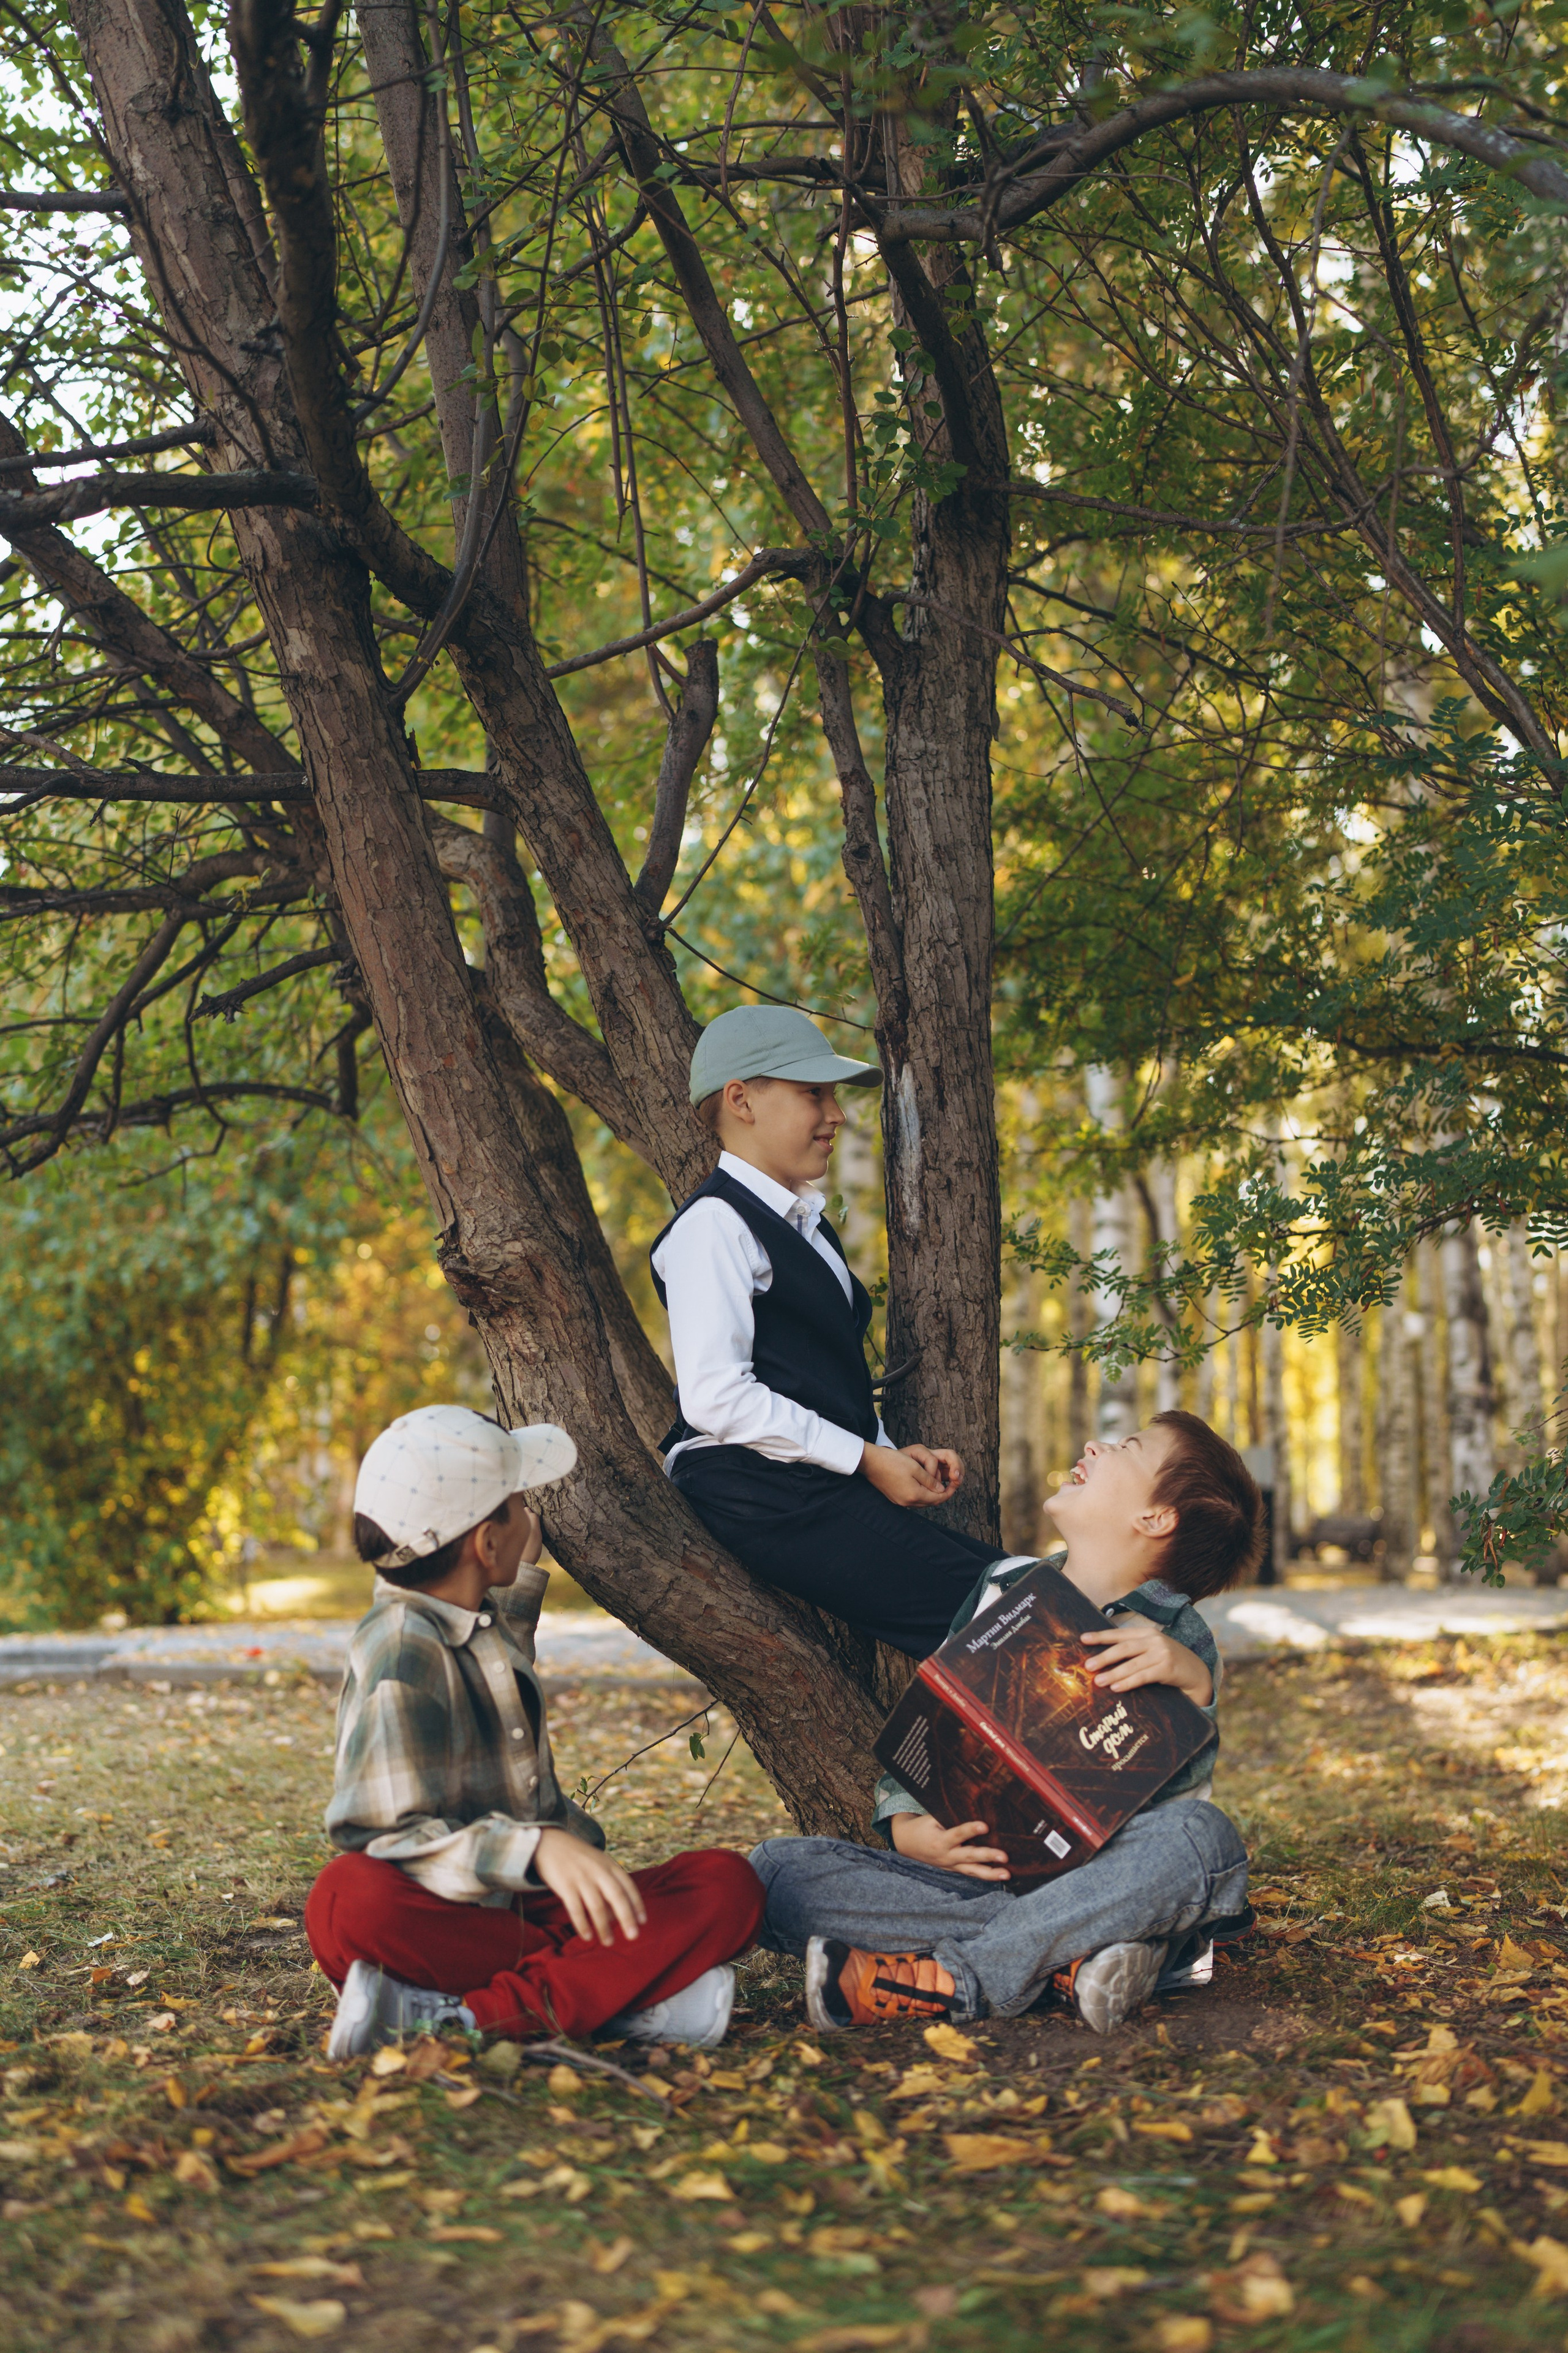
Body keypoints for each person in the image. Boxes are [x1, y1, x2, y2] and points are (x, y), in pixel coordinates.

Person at [748, 1409, 1264, 2036]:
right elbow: (939, 1722)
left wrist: (1193, 1685)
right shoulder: (1000, 1588)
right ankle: (1070, 1960)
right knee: (775, 1871)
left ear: (1155, 1519)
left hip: (1102, 1883)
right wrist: (909, 1826)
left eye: (1126, 1446)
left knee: (1199, 1839)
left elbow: (1171, 1811)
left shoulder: (1176, 1638)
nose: (1093, 1444)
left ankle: (956, 1980)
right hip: (977, 1885)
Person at [304, 1404, 765, 2058]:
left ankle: (457, 2010)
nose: (532, 1517)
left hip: (532, 1915)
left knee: (728, 1886)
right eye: (519, 1506)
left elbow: (493, 1652)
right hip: (451, 1921)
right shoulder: (400, 1654)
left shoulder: (466, 1610)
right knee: (344, 1901)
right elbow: (387, 1837)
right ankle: (545, 2010)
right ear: (486, 1545)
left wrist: (518, 1580)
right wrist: (535, 1848)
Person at [650, 1005, 1036, 1655]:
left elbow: (817, 1373)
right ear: (741, 1100)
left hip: (812, 1485)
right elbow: (715, 1398)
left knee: (1015, 1592)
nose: (836, 1114)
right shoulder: (712, 1226)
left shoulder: (806, 1225)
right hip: (758, 1492)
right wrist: (866, 1458)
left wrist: (886, 1448)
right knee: (1007, 1617)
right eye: (813, 1093)